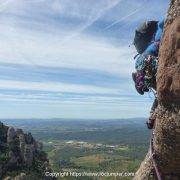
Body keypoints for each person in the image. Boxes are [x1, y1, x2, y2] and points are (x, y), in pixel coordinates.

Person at [132, 19, 164, 129]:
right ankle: (140, 80)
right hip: (152, 55)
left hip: (150, 55)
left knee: (161, 93)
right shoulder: (160, 27)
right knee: (161, 93)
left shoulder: (159, 28)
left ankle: (140, 80)